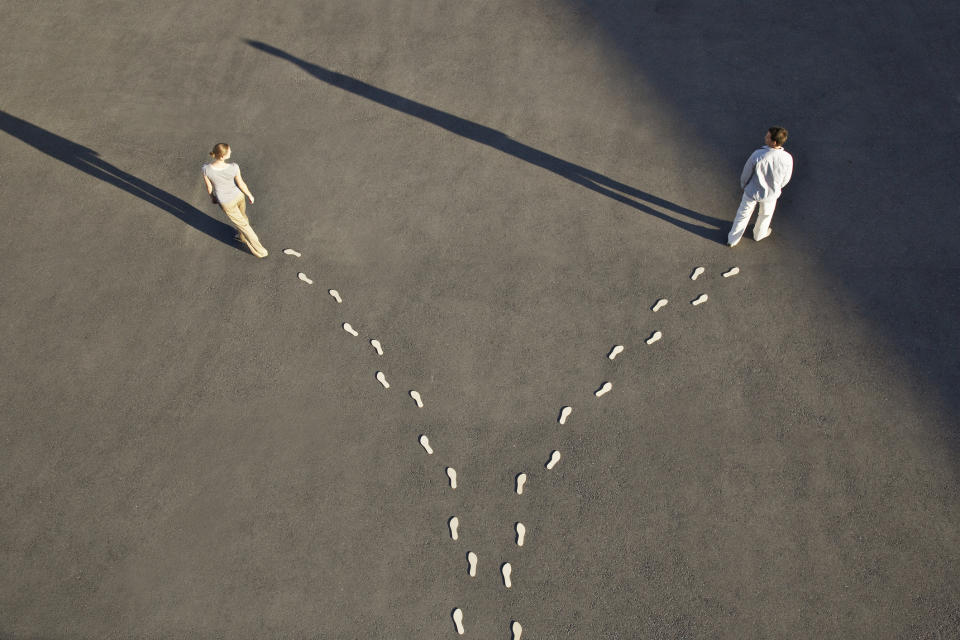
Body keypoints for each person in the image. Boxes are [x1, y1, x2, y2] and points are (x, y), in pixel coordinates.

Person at [727, 127, 793, 247]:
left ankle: (733, 239)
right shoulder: (787, 158)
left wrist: (743, 184)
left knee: (743, 214)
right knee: (765, 215)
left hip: (752, 192)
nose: (765, 137)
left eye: (767, 136)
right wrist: (777, 187)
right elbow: (786, 179)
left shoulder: (758, 154)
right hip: (771, 195)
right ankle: (759, 234)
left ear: (774, 142)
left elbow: (746, 172)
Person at [202, 143, 268, 258]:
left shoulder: (206, 169)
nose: (231, 152)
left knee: (243, 225)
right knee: (243, 218)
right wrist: (249, 195)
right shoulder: (234, 167)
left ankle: (260, 251)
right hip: (239, 196)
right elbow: (241, 183)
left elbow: (209, 187)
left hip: (226, 202)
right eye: (229, 152)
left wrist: (212, 198)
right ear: (222, 156)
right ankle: (242, 237)